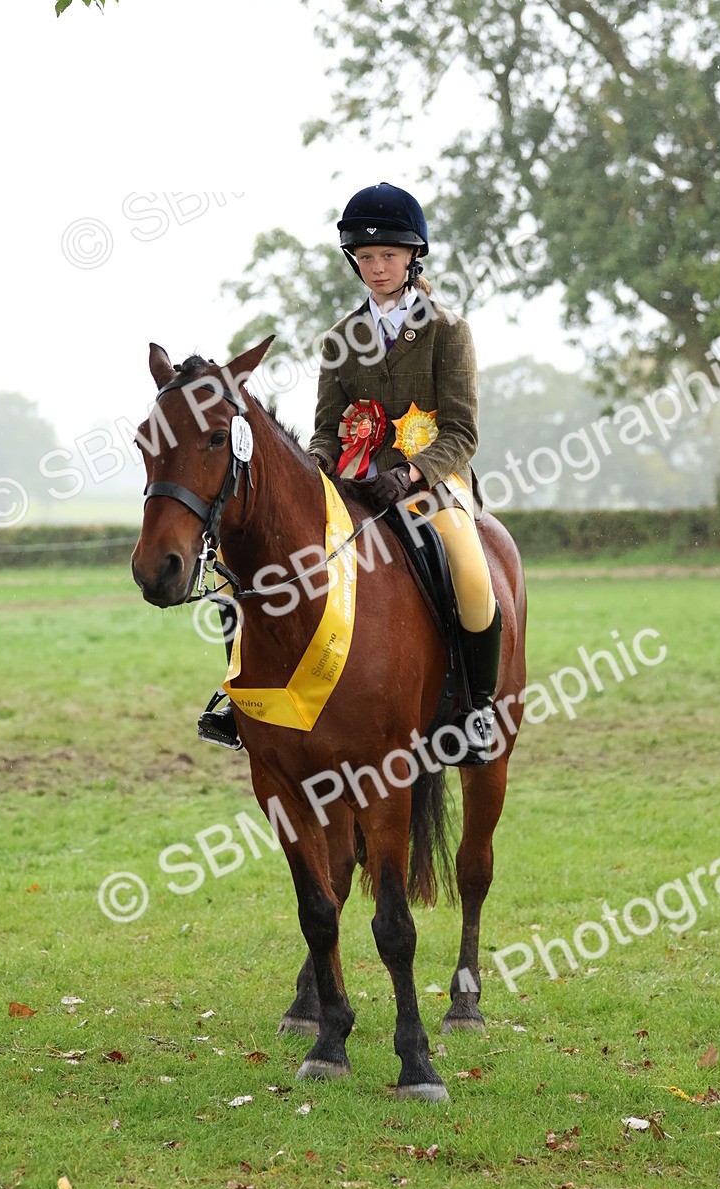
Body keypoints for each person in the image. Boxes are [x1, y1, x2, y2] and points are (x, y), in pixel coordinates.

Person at [198, 182, 500, 764]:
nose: (377, 267)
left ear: (414, 259)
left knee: (468, 564)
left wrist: (410, 476)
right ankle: (241, 699)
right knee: (254, 567)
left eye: (389, 255)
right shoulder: (340, 339)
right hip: (351, 489)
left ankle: (476, 706)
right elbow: (325, 431)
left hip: (431, 486)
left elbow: (462, 433)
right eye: (366, 258)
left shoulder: (447, 331)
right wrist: (314, 472)